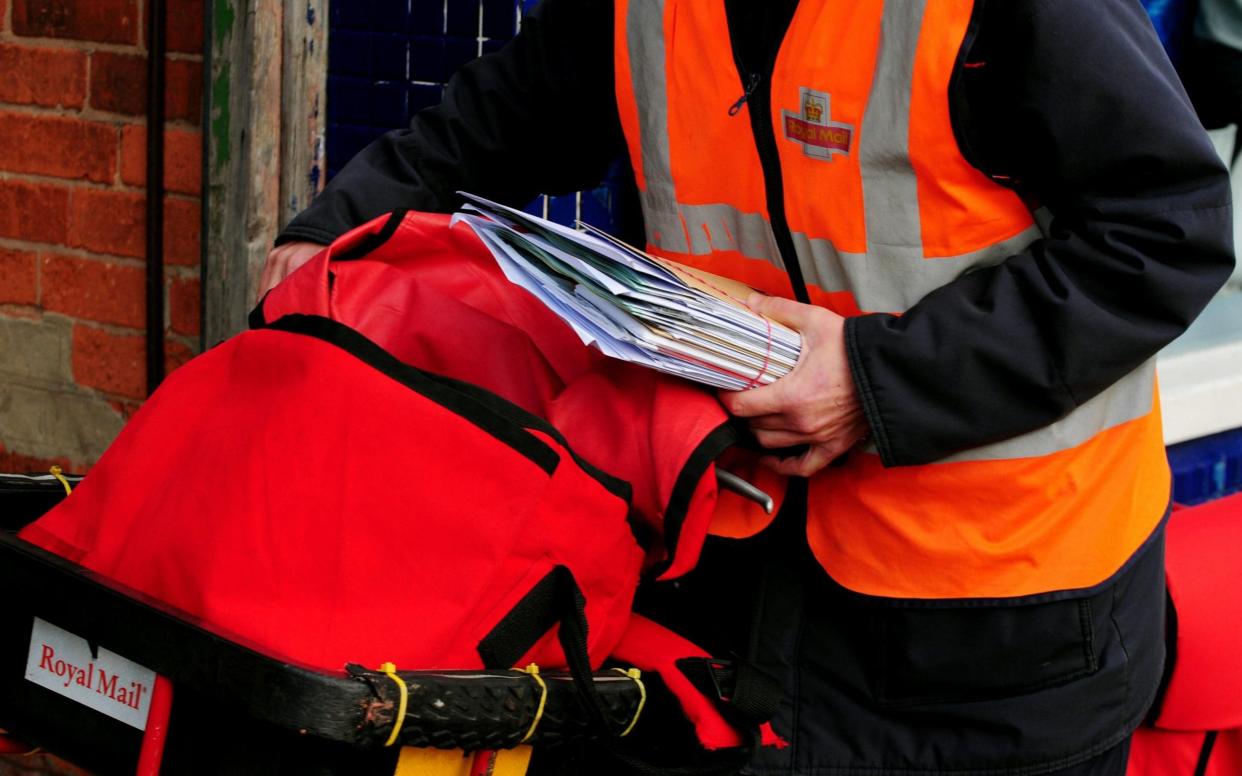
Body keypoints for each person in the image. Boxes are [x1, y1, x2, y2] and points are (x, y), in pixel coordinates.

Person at [263, 1, 1235, 774]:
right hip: (741, 593)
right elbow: (496, 122)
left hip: (1006, 635)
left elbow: (1167, 232)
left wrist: (871, 377)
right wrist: (333, 228)